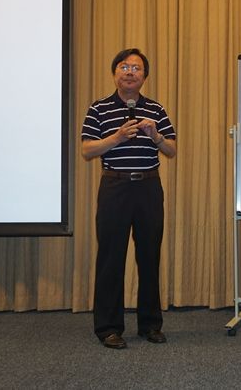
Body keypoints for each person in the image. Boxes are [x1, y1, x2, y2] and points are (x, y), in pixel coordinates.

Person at [81, 48, 176, 349]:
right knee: (111, 257)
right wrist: (118, 137)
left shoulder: (156, 109)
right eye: (124, 67)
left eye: (136, 68)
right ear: (115, 74)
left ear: (144, 76)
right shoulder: (98, 108)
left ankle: (150, 324)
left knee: (149, 256)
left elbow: (172, 149)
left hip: (148, 188)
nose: (130, 72)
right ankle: (108, 328)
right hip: (115, 187)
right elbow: (87, 150)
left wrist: (156, 136)